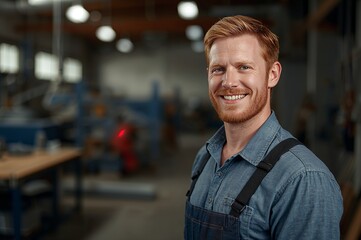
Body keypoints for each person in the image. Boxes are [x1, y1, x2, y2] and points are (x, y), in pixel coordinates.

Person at [184, 15, 343, 239]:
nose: (228, 82)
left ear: (273, 74)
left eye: (244, 67)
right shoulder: (205, 158)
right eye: (218, 69)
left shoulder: (303, 180)